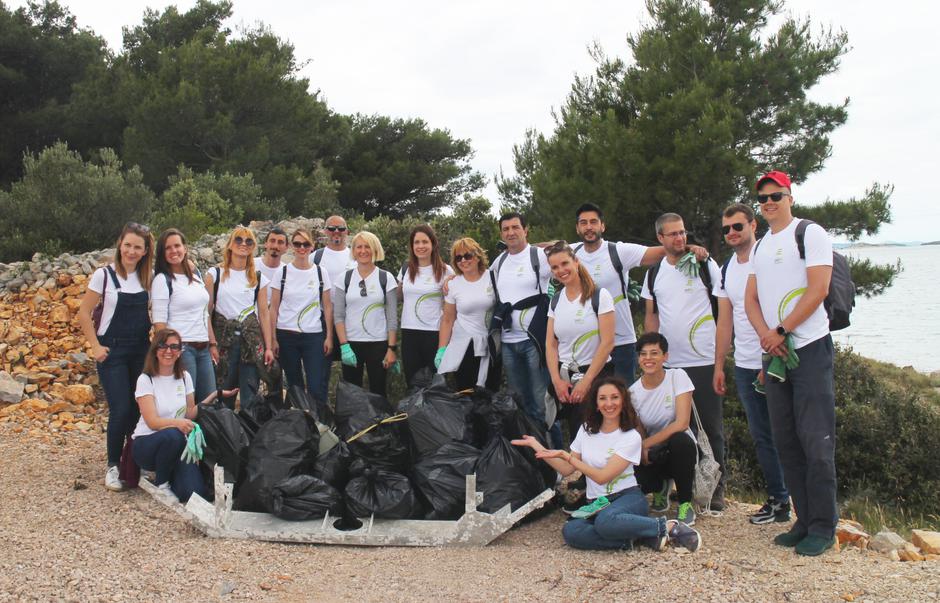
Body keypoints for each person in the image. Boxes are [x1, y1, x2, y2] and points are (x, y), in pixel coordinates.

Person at [744, 170, 837, 557]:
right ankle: (803, 519)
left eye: (775, 196)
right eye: (762, 198)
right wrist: (768, 335)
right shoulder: (762, 244)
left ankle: (823, 526)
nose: (768, 202)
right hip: (775, 353)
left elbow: (819, 288)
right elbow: (750, 299)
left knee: (816, 439)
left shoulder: (809, 233)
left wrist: (781, 330)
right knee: (786, 440)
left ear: (790, 197)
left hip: (810, 348)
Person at [512, 376, 701, 552]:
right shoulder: (586, 431)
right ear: (596, 403)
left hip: (627, 498)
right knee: (572, 531)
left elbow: (602, 478)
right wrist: (536, 446)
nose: (609, 403)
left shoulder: (630, 436)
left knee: (605, 521)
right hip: (597, 502)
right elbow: (566, 469)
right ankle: (638, 538)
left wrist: (568, 457)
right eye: (603, 398)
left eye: (614, 398)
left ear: (623, 401)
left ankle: (668, 526)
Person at [641, 212, 727, 510]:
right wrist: (652, 355)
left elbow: (724, 307)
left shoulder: (704, 264)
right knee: (673, 427)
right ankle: (681, 486)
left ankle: (715, 491)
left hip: (702, 359)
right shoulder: (653, 273)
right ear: (660, 238)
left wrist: (720, 361)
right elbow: (651, 314)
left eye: (683, 232)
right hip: (671, 363)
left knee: (710, 428)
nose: (680, 238)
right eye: (673, 234)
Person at [713, 203, 790, 525]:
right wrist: (719, 365)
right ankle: (778, 499)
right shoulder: (727, 268)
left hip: (773, 357)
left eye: (737, 227)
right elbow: (725, 320)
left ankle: (788, 500)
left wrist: (768, 357)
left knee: (785, 432)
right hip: (743, 363)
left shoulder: (766, 258)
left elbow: (779, 308)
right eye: (726, 229)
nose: (732, 233)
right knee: (761, 434)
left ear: (752, 225)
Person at [572, 203, 707, 382]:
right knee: (593, 405)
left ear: (602, 226)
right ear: (577, 228)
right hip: (588, 346)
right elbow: (546, 249)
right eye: (583, 223)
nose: (589, 227)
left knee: (625, 402)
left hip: (620, 344)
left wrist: (690, 248)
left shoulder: (618, 251)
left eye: (593, 222)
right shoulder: (571, 253)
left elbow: (659, 252)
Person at [77, 222, 154, 492]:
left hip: (140, 351)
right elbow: (83, 313)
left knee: (138, 409)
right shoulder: (104, 276)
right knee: (120, 409)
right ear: (120, 244)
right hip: (112, 351)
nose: (131, 251)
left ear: (145, 251)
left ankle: (132, 463)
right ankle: (112, 465)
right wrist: (95, 347)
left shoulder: (149, 277)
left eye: (138, 247)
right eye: (128, 245)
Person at [132, 328, 236, 503]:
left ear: (180, 352)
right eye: (163, 346)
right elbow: (152, 422)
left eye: (174, 347)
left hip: (176, 443)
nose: (168, 351)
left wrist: (215, 395)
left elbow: (189, 413)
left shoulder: (184, 377)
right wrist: (178, 424)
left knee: (194, 494)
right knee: (174, 435)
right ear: (155, 350)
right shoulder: (146, 379)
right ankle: (162, 484)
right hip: (147, 443)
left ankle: (172, 474)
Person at [544, 240, 615, 441]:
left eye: (564, 263)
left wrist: (587, 381)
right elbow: (551, 344)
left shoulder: (600, 296)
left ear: (576, 262)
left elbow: (608, 342)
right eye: (555, 267)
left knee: (597, 434)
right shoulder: (556, 300)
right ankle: (581, 472)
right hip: (566, 379)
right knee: (577, 436)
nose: (561, 270)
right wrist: (556, 380)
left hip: (596, 377)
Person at [629, 332, 700, 526]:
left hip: (678, 450)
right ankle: (660, 487)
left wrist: (645, 444)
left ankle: (685, 503)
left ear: (665, 356)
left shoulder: (677, 376)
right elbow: (639, 429)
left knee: (680, 440)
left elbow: (682, 423)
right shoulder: (633, 393)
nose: (648, 358)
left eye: (654, 353)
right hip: (654, 454)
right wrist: (643, 449)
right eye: (643, 354)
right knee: (635, 475)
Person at [205, 227, 275, 410]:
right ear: (230, 244)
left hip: (250, 342)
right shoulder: (215, 275)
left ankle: (249, 435)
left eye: (248, 241)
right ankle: (225, 436)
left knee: (249, 396)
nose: (243, 244)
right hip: (223, 342)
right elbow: (206, 311)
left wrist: (268, 347)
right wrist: (211, 343)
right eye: (238, 240)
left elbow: (264, 314)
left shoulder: (259, 278)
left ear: (253, 247)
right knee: (223, 394)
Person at [491, 212, 551, 426]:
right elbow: (478, 278)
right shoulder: (499, 262)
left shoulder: (540, 256)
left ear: (526, 230)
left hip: (534, 341)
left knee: (542, 400)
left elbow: (568, 255)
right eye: (506, 229)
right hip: (508, 343)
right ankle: (530, 450)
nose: (511, 232)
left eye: (515, 227)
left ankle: (551, 450)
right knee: (520, 402)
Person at [152, 228, 217, 405]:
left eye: (177, 246)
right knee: (185, 405)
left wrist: (212, 343)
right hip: (182, 349)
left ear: (185, 248)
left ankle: (203, 434)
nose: (174, 251)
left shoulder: (196, 277)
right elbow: (159, 323)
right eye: (168, 248)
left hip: (203, 348)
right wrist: (170, 351)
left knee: (208, 403)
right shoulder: (162, 280)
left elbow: (204, 313)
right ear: (162, 253)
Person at [269, 228, 334, 402]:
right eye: (297, 244)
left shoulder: (321, 272)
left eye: (305, 244)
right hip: (286, 334)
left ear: (312, 246)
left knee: (316, 385)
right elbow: (273, 308)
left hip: (313, 335)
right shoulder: (281, 273)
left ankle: (319, 423)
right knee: (294, 385)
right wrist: (273, 339)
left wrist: (329, 337)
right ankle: (301, 423)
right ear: (291, 246)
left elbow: (327, 306)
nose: (301, 248)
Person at [334, 231, 399, 397]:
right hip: (351, 344)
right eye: (359, 247)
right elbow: (339, 315)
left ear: (375, 249)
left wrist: (391, 348)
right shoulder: (344, 278)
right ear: (354, 251)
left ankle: (380, 423)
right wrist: (344, 345)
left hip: (378, 344)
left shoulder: (386, 278)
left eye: (367, 246)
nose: (363, 251)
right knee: (351, 394)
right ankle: (352, 424)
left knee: (378, 392)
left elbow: (392, 316)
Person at [436, 237, 499, 390]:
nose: (463, 260)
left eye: (468, 256)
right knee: (466, 393)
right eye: (458, 257)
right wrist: (441, 349)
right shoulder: (453, 284)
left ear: (477, 256)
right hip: (464, 347)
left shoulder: (493, 277)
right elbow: (448, 319)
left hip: (490, 345)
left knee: (489, 393)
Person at [397, 225, 454, 386]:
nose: (420, 246)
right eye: (416, 242)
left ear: (433, 244)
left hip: (434, 334)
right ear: (412, 246)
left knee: (436, 384)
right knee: (412, 383)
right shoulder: (406, 269)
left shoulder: (445, 270)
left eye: (424, 242)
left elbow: (453, 303)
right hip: (409, 333)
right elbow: (398, 297)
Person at [314, 215, 356, 364]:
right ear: (325, 231)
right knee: (322, 365)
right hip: (323, 320)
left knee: (351, 367)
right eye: (332, 228)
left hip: (350, 318)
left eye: (341, 228)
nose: (336, 232)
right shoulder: (315, 258)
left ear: (347, 231)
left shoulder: (356, 257)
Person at [254, 226, 288, 304]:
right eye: (272, 241)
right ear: (265, 244)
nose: (275, 246)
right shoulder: (251, 265)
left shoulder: (288, 272)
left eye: (280, 242)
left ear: (286, 248)